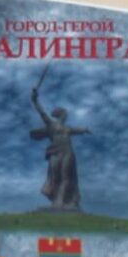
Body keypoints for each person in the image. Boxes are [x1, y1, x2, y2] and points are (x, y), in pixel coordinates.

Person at [29, 71, 88, 209]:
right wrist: (35, 99)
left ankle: (61, 202)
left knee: (66, 176)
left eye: (65, 115)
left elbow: (77, 130)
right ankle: (57, 199)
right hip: (55, 151)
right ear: (59, 115)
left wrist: (85, 129)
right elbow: (41, 111)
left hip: (68, 152)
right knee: (56, 176)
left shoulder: (68, 129)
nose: (65, 116)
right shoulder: (51, 124)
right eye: (63, 114)